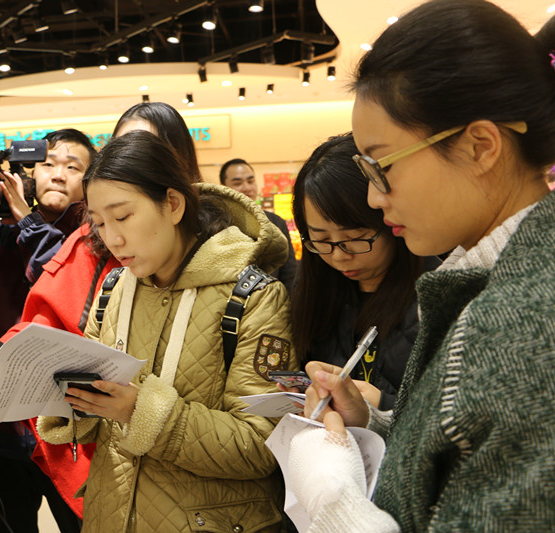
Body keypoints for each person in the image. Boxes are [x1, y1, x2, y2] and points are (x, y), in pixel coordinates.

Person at [286, 1, 555, 531]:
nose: (374, 196)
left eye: (381, 165)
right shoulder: (487, 287)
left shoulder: (525, 323)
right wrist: (376, 421)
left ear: (480, 146)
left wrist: (331, 497)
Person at [0, 102, 205, 526]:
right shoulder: (87, 240)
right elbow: (46, 318)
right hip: (87, 432)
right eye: (122, 148)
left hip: (189, 456)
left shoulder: (224, 243)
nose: (116, 237)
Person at [34, 130, 297, 532]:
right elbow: (95, 420)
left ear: (173, 204)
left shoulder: (254, 297)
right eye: (99, 223)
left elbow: (262, 445)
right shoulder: (113, 289)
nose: (113, 238)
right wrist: (70, 399)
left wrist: (141, 412)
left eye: (123, 217)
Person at [290, 133, 436, 410]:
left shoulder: (434, 298)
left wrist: (383, 404)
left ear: (390, 221)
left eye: (355, 238)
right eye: (321, 240)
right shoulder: (312, 292)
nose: (339, 255)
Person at [0, 128, 96, 339]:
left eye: (72, 167)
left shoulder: (93, 236)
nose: (58, 176)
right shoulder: (3, 231)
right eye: (48, 164)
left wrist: (28, 222)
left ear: (88, 182)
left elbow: (63, 285)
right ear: (32, 175)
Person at [220, 158, 298, 288]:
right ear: (224, 187)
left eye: (251, 181)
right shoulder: (217, 224)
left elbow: (290, 272)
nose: (247, 188)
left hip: (272, 296)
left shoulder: (275, 222)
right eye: (237, 183)